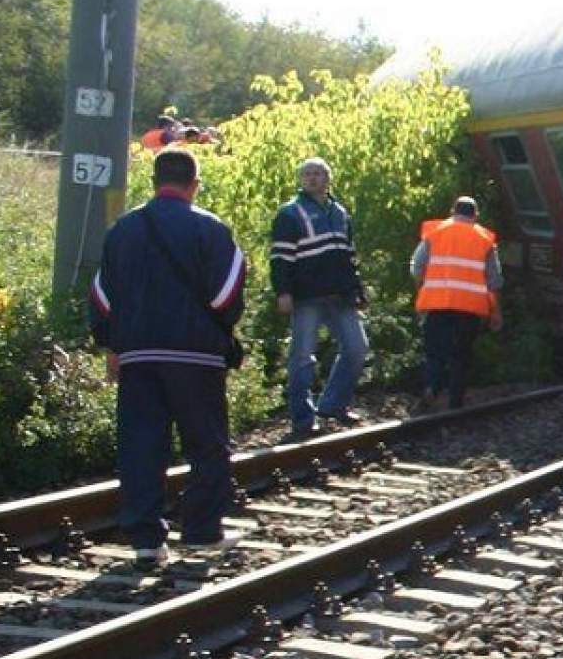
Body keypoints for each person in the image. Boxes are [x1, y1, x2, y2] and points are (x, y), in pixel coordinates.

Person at [89, 148, 246, 566]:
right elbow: (227, 293)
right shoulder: (210, 229)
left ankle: (145, 539)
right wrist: (221, 328)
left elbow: (102, 297)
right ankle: (201, 532)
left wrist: (112, 344)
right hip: (196, 356)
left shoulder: (122, 230)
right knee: (206, 445)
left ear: (155, 181)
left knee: (141, 445)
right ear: (194, 184)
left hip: (137, 354)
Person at [269, 157, 369, 439]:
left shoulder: (339, 212)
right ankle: (302, 419)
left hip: (341, 295)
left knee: (357, 348)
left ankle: (333, 405)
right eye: (306, 174)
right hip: (306, 296)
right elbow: (280, 258)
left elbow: (350, 256)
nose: (312, 178)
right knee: (302, 357)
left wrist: (358, 290)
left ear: (328, 178)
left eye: (317, 174)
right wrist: (283, 292)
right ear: (300, 180)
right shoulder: (290, 213)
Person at [410, 196, 503, 411]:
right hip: (469, 308)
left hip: (437, 305)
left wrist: (422, 292)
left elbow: (417, 267)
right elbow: (493, 280)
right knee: (461, 355)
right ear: (476, 215)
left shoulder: (435, 232)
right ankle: (455, 404)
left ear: (452, 211)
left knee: (434, 352)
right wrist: (496, 313)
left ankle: (432, 387)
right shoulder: (484, 239)